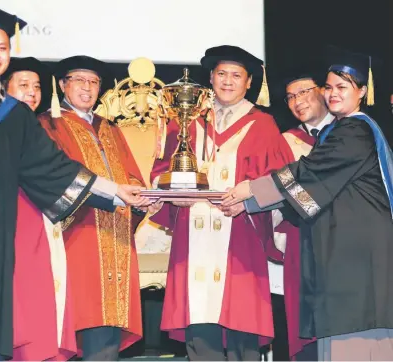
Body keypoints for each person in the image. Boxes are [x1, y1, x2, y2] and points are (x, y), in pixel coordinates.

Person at [0, 4, 148, 360]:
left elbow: (56, 168)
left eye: (2, 47)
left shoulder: (16, 114)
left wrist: (115, 191)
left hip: (5, 243)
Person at [222, 47, 393, 361]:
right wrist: (250, 206)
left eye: (342, 87)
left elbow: (308, 173)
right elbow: (310, 194)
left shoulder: (356, 130)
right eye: (328, 87)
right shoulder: (340, 132)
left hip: (359, 263)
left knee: (360, 346)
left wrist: (251, 190)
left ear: (362, 90)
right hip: (343, 260)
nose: (333, 94)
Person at [149, 45, 283, 361]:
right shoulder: (186, 120)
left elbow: (282, 182)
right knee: (201, 330)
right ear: (211, 77)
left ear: (249, 82)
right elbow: (160, 172)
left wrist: (250, 199)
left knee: (242, 331)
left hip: (242, 241)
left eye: (236, 75)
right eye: (221, 73)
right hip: (193, 241)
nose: (227, 81)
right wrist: (174, 196)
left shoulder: (263, 125)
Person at [37, 55, 145, 361]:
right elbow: (51, 182)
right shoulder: (48, 125)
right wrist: (111, 195)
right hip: (75, 238)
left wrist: (143, 195)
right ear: (62, 84)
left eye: (94, 82)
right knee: (72, 323)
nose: (87, 88)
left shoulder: (110, 127)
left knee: (106, 332)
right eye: (79, 80)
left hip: (117, 242)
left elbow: (131, 173)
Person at [2, 57, 77, 361]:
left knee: (46, 302)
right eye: (23, 85)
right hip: (14, 226)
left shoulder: (42, 128)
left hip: (45, 225)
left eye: (36, 86)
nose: (32, 92)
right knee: (22, 307)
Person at [266, 61, 333, 361]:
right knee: (306, 330)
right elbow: (283, 189)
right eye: (290, 96)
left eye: (303, 92)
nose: (297, 101)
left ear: (324, 92)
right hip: (303, 240)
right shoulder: (286, 142)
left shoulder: (351, 132)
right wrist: (311, 210)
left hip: (346, 244)